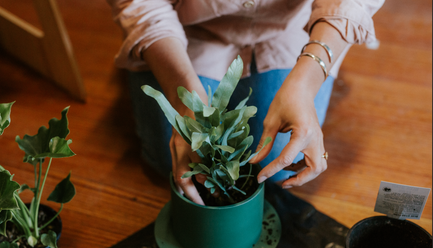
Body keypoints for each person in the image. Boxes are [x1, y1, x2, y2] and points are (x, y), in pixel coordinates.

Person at [108, 0, 384, 205]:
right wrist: (185, 101)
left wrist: (306, 81)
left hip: (293, 26)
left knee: (281, 159)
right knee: (171, 159)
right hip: (183, 27)